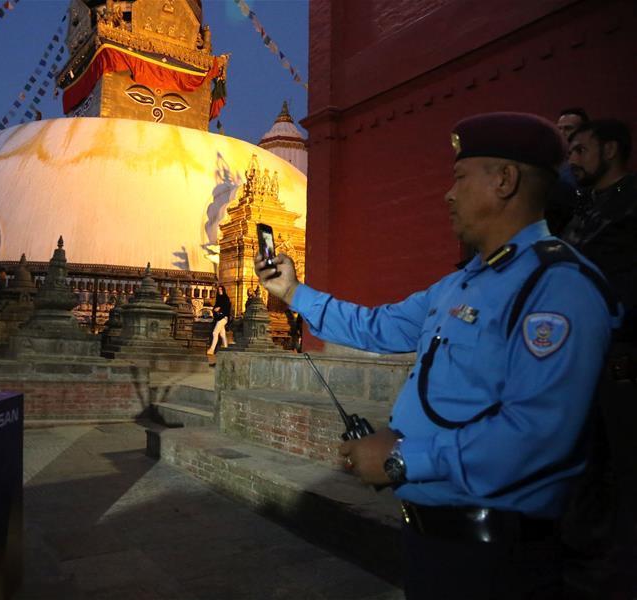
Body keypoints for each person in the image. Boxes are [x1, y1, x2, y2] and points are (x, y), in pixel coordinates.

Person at [255, 112, 620, 599]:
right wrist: (294, 292)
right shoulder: (459, 284)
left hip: (498, 559)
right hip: (432, 544)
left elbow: (539, 435)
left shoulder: (556, 284)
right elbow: (379, 325)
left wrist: (404, 460)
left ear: (504, 181)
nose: (448, 194)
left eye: (460, 178)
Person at [561, 118, 636, 598]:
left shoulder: (631, 207)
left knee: (624, 469)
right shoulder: (582, 210)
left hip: (621, 355)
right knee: (582, 464)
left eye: (582, 149)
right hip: (579, 357)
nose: (574, 159)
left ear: (610, 150)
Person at [546, 107, 590, 234]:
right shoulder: (551, 162)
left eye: (568, 128)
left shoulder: (590, 165)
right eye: (559, 128)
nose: (561, 133)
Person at [207, 285, 231, 354]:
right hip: (218, 318)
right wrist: (214, 309)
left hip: (223, 317)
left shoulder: (226, 298)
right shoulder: (218, 299)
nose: (220, 291)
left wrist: (220, 308)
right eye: (219, 290)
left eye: (221, 289)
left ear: (223, 290)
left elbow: (227, 308)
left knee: (215, 333)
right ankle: (226, 348)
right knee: (222, 334)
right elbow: (215, 307)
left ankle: (212, 349)